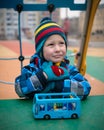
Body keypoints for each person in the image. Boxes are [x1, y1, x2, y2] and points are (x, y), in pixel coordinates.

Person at [15, 17, 91, 100]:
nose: (58, 49)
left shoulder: (69, 69)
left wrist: (59, 85)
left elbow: (86, 88)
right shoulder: (32, 69)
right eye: (51, 44)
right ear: (41, 50)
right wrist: (43, 76)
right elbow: (19, 89)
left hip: (65, 111)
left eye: (61, 43)